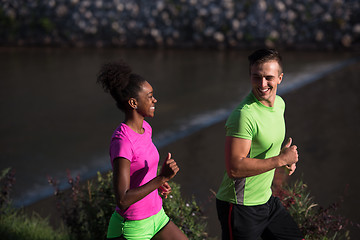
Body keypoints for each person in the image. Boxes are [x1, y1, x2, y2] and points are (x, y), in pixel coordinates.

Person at [216, 49, 304, 240]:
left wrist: (284, 155)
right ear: (250, 77)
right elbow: (235, 169)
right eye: (256, 77)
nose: (262, 84)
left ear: (280, 78)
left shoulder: (279, 104)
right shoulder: (244, 115)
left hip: (266, 201)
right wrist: (280, 159)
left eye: (268, 78)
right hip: (240, 207)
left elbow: (262, 146)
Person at [97, 60, 188, 240]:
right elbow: (122, 200)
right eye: (149, 96)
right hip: (133, 227)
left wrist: (158, 184)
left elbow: (140, 172)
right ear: (133, 102)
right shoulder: (122, 142)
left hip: (157, 217)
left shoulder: (146, 128)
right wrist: (161, 177)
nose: (155, 100)